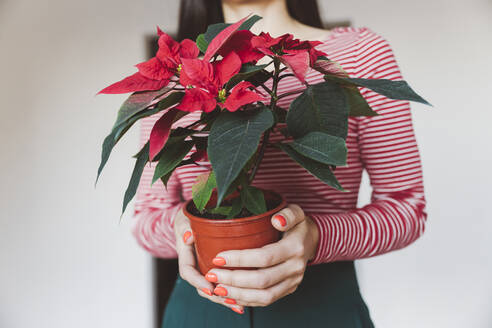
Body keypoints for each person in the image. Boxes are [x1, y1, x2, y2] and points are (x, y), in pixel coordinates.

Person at [133, 0, 427, 326]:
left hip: (322, 308)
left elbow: (407, 208)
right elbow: (145, 219)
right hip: (202, 309)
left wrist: (317, 237)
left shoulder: (359, 54)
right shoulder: (178, 72)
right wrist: (185, 229)